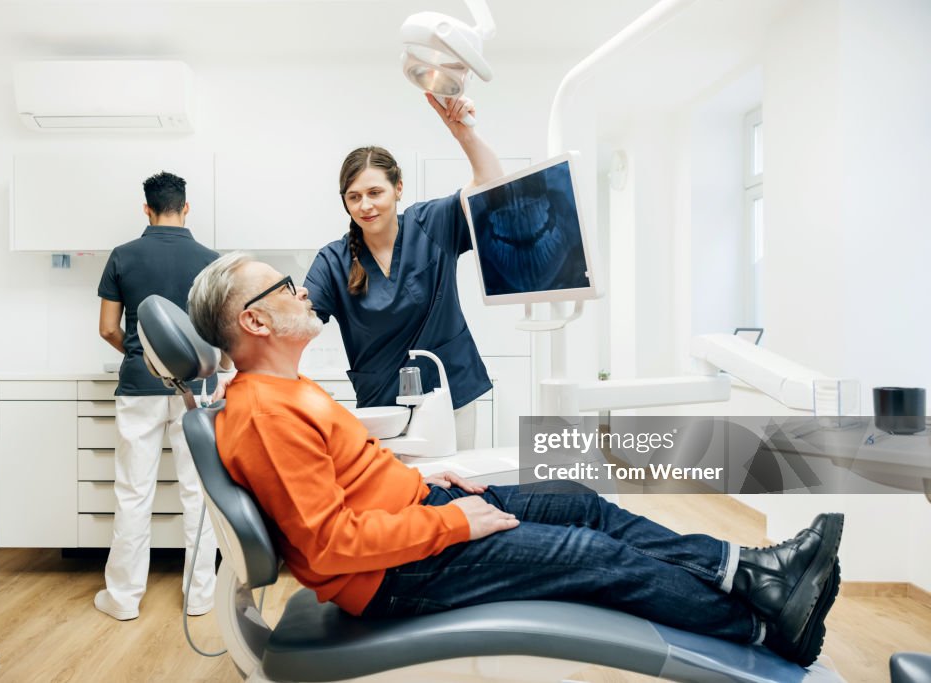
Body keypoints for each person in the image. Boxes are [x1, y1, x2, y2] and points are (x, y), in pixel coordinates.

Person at [187, 252, 845, 668]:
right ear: (256, 322)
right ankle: (763, 626)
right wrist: (456, 524)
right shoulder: (264, 414)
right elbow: (329, 548)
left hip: (416, 520)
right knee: (589, 554)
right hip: (392, 574)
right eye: (283, 286)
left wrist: (424, 482)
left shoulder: (285, 388)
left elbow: (349, 480)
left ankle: (750, 569)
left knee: (574, 498)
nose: (302, 291)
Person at [302, 94, 503, 451]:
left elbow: (491, 189)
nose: (365, 205)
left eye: (375, 192)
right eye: (354, 196)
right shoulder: (333, 261)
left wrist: (464, 135)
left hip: (450, 391)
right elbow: (297, 321)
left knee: (458, 489)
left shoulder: (433, 224)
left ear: (398, 188)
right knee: (398, 501)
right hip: (382, 408)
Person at [95, 171, 227, 620]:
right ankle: (200, 598)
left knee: (133, 493)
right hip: (199, 391)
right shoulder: (212, 261)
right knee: (199, 493)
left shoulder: (123, 256)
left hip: (140, 386)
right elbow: (221, 337)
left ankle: (124, 599)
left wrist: (146, 354)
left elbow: (109, 328)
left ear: (146, 208)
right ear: (186, 207)